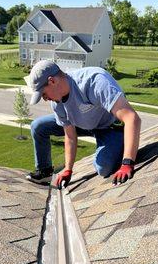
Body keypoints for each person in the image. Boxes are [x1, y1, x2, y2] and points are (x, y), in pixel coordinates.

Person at [26, 60, 141, 189]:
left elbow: (132, 117)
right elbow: (70, 136)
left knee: (103, 168)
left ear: (52, 81)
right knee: (38, 126)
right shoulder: (57, 102)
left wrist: (127, 163)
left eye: (44, 94)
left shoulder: (94, 81)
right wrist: (68, 170)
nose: (45, 99)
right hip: (81, 123)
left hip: (108, 127)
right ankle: (45, 172)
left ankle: (125, 144)